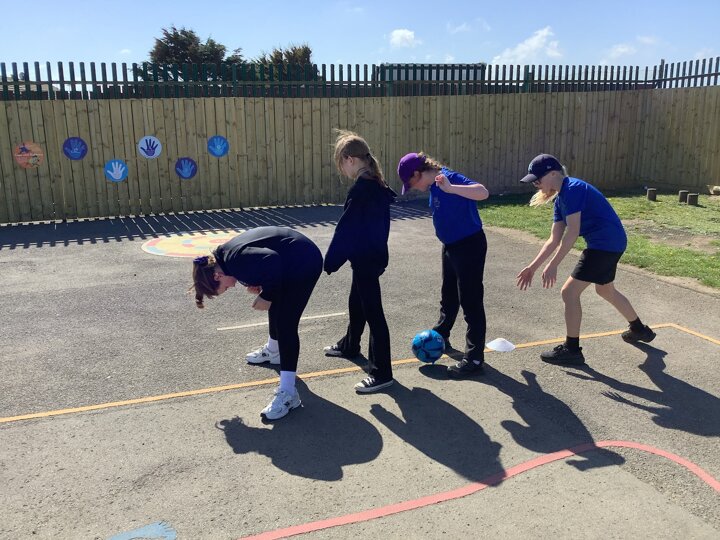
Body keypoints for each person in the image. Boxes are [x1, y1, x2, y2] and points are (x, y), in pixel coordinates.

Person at [516, 154, 656, 365]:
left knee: (569, 292)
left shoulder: (573, 189)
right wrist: (532, 267)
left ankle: (572, 350)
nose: (535, 185)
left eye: (537, 180)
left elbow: (572, 232)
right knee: (605, 290)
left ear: (553, 174)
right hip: (609, 243)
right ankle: (639, 329)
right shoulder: (561, 199)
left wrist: (553, 264)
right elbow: (554, 239)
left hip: (604, 245)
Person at [191, 226, 322, 420]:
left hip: (304, 262)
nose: (230, 288)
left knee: (286, 323)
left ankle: (289, 393)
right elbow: (263, 261)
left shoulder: (235, 261)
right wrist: (261, 283)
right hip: (293, 257)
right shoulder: (225, 258)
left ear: (217, 276)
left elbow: (271, 259)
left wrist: (267, 294)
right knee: (275, 304)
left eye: (224, 288)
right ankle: (274, 351)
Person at [397, 152, 490, 378]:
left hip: (469, 245)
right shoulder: (434, 186)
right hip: (450, 246)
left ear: (418, 173)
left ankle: (474, 358)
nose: (414, 188)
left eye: (412, 183)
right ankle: (442, 334)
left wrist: (451, 188)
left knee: (470, 300)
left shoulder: (448, 179)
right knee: (448, 295)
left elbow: (483, 192)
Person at [323, 130, 397, 393]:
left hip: (367, 259)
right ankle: (350, 345)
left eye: (340, 164)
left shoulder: (362, 189)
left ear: (350, 160)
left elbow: (347, 230)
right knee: (357, 302)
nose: (342, 170)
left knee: (374, 314)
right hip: (372, 257)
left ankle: (382, 373)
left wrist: (331, 261)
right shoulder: (376, 184)